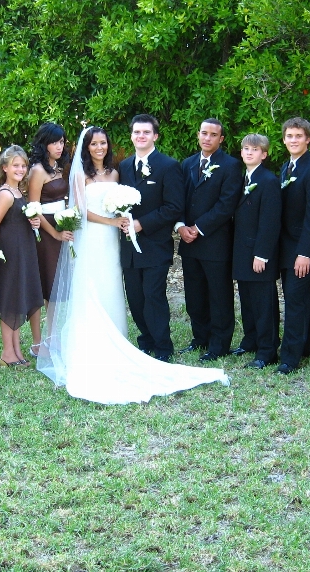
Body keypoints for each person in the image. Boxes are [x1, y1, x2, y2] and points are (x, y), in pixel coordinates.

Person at [37, 127, 229, 404]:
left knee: (118, 288)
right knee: (95, 289)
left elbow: (142, 206)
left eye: (103, 142)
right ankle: (92, 347)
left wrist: (125, 221)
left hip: (117, 243)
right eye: (94, 144)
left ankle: (136, 343)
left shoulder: (118, 172)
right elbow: (81, 210)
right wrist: (113, 222)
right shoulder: (84, 173)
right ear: (87, 147)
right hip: (92, 239)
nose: (99, 147)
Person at [117, 114, 184, 362]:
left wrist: (141, 224)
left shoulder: (168, 166)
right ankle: (145, 341)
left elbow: (173, 207)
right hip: (128, 248)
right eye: (136, 132)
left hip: (155, 245)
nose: (141, 136)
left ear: (155, 136)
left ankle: (163, 346)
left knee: (153, 296)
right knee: (135, 297)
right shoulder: (124, 167)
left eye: (146, 132)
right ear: (132, 136)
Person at [176, 119, 243, 361]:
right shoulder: (188, 164)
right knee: (194, 295)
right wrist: (181, 225)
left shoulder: (231, 166)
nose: (207, 138)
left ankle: (219, 344)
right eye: (204, 133)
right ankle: (200, 337)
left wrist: (199, 227)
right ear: (198, 134)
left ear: (221, 139)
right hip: (188, 241)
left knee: (219, 295)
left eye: (213, 135)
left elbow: (226, 205)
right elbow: (179, 199)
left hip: (215, 242)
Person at [276, 117, 310, 374]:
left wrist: (306, 253)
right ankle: (308, 347)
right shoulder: (287, 167)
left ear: (308, 139)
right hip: (286, 247)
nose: (293, 140)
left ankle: (289, 357)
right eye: (289, 136)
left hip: (302, 249)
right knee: (299, 298)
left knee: (295, 300)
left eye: (298, 136)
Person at [0, 145, 44, 367]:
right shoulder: (6, 194)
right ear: (5, 168)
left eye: (23, 165)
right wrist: (12, 236)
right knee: (10, 300)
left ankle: (16, 350)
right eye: (15, 165)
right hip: (10, 253)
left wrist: (32, 223)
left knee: (18, 298)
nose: (20, 169)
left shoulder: (19, 192)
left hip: (23, 251)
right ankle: (7, 352)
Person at [231, 134, 282, 369]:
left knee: (263, 304)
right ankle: (250, 340)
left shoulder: (268, 180)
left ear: (264, 154)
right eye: (245, 149)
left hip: (258, 254)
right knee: (247, 300)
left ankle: (267, 350)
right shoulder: (243, 178)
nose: (249, 152)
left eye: (255, 149)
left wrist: (261, 254)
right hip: (242, 251)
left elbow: (270, 221)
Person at [27, 122, 73, 356]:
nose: (59, 146)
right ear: (44, 144)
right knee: (45, 286)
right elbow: (33, 208)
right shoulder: (37, 170)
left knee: (55, 289)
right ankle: (38, 342)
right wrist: (54, 232)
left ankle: (52, 336)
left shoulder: (58, 168)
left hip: (60, 228)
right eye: (55, 142)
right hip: (44, 234)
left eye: (62, 141)